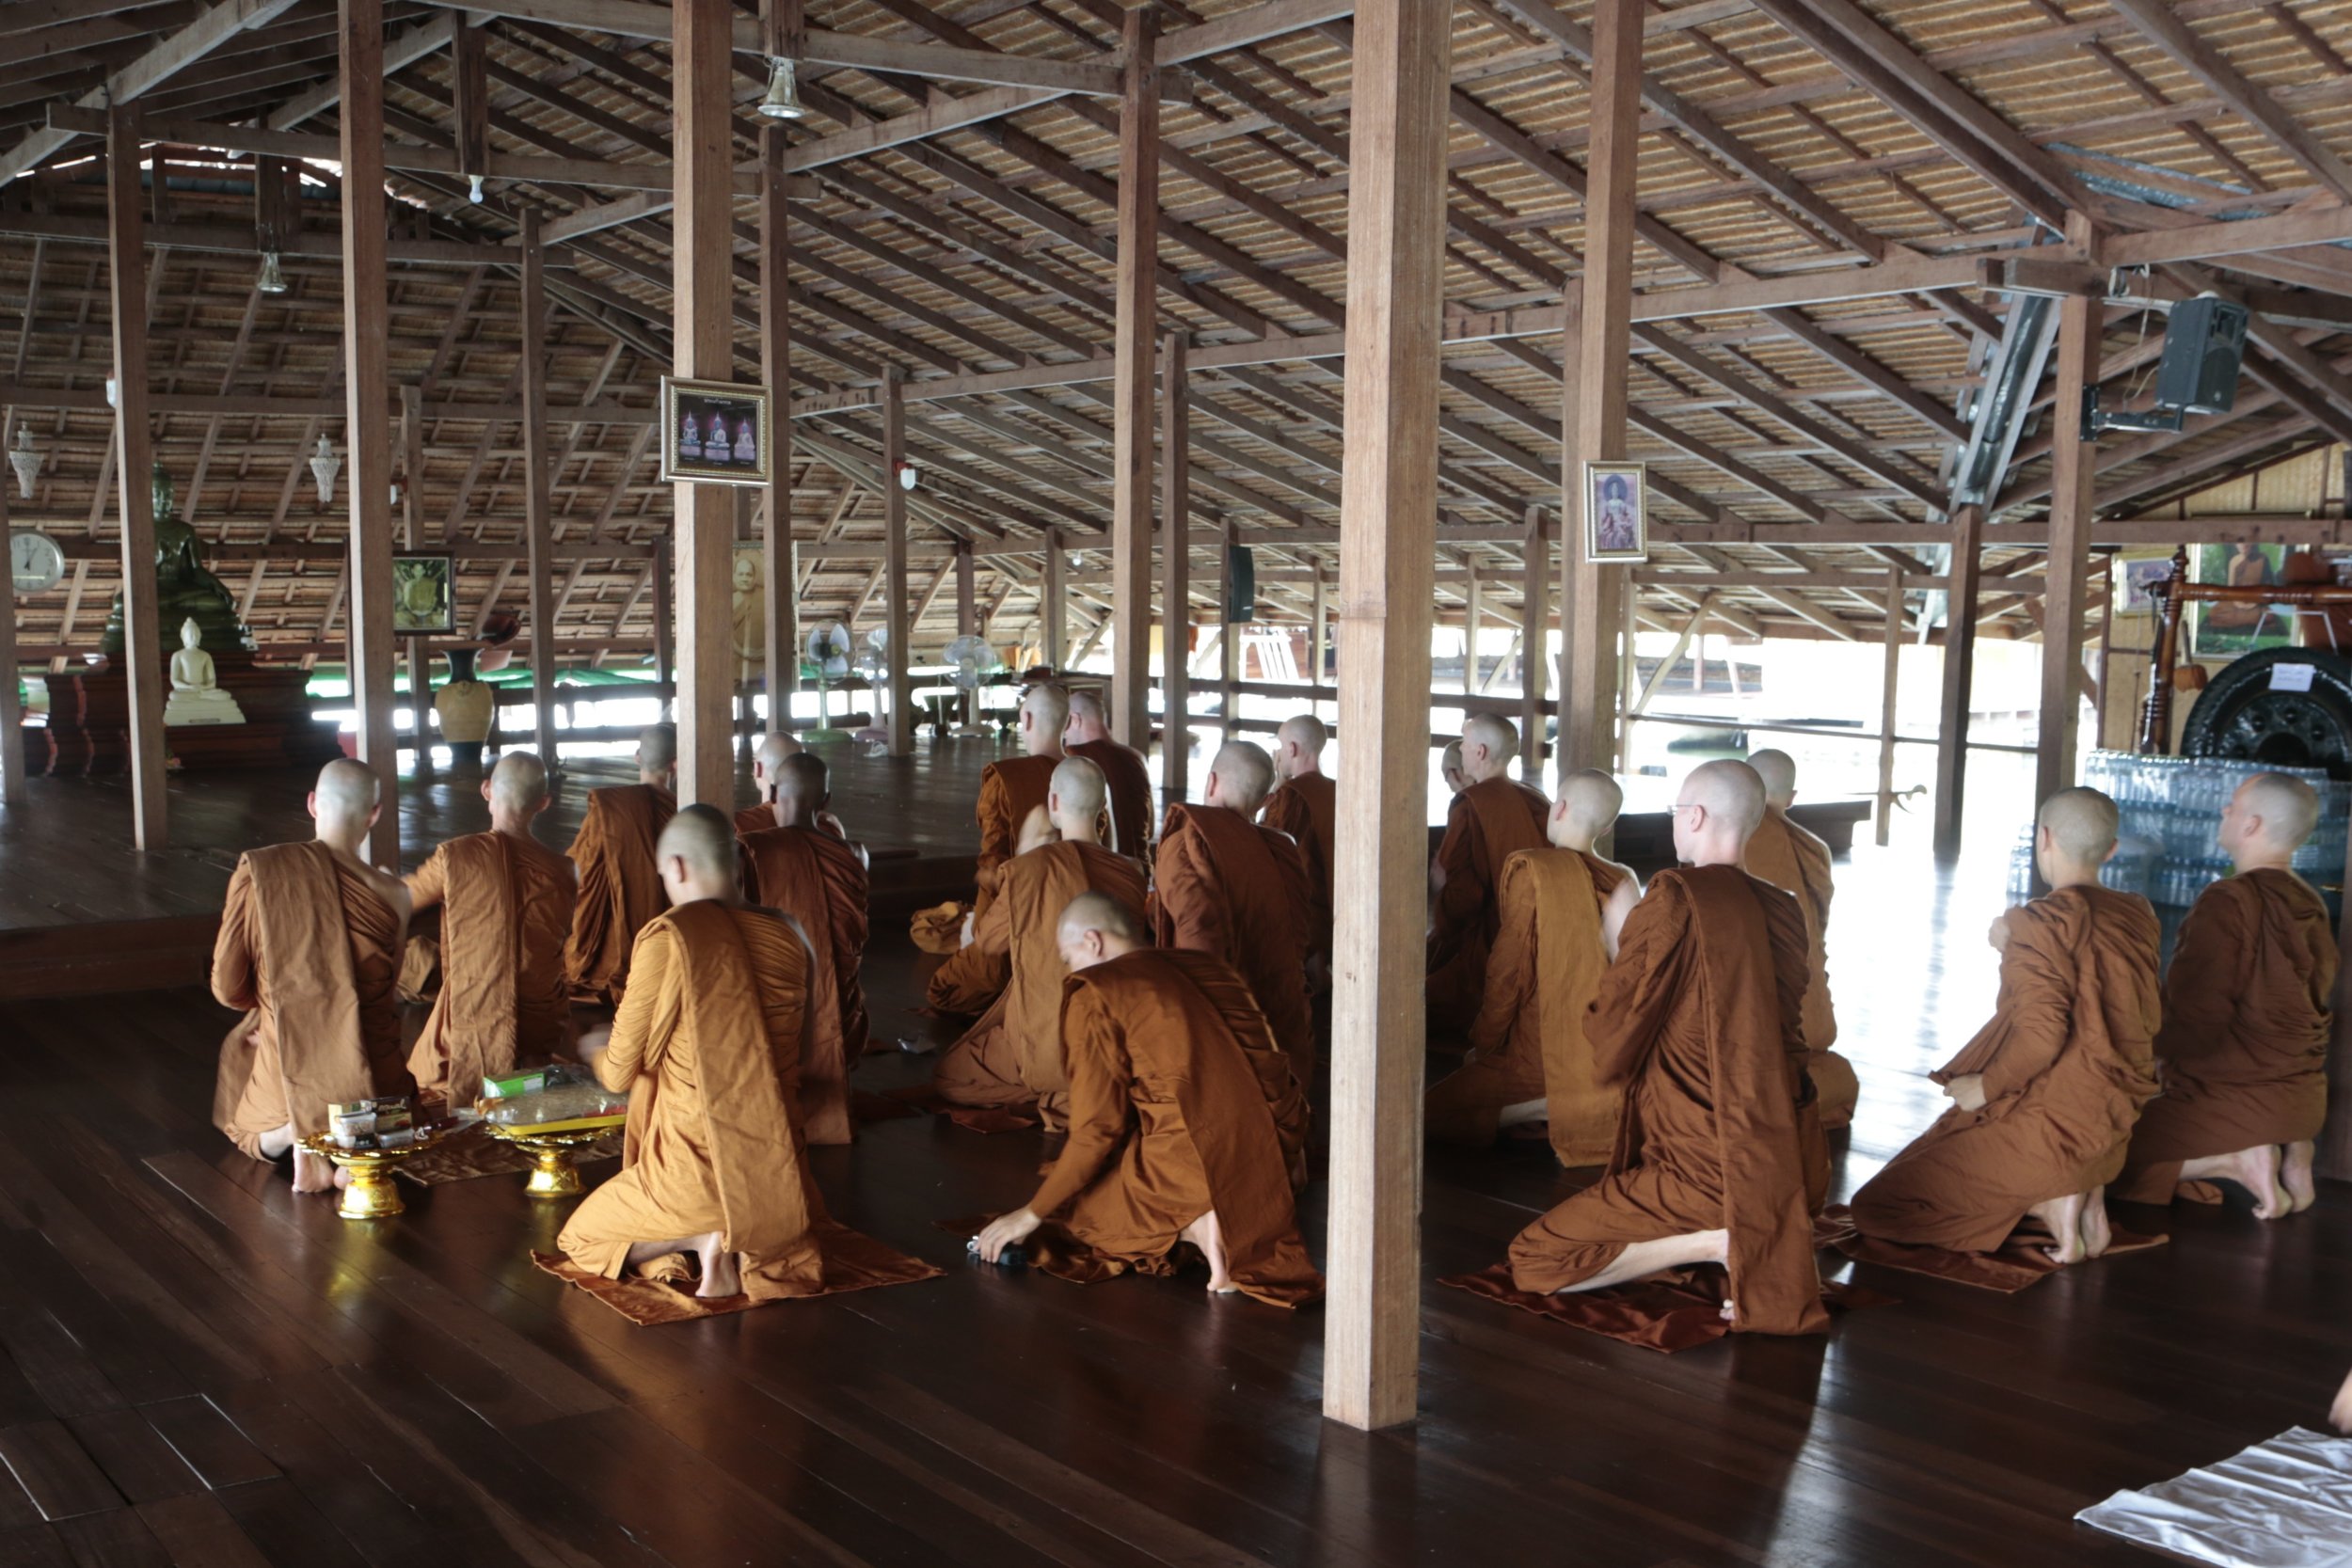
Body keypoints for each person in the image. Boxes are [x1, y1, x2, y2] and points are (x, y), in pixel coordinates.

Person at [554, 807, 931, 1301]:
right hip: (774, 1172)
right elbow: (797, 1050)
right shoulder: (791, 933)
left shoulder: (671, 939)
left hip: (693, 1171)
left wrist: (597, 1048)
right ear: (736, 861)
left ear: (679, 867)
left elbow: (622, 1073)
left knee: (579, 1239)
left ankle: (704, 1235)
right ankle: (744, 1236)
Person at [1502, 761, 1826, 1333]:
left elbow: (1615, 1023)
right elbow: (1783, 1029)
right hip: (1781, 1157)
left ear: (1694, 816)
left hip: (1700, 1165)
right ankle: (1742, 1228)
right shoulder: (1784, 906)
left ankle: (1715, 1241)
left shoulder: (1675, 899)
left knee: (1535, 1259)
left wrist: (1609, 966)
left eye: (1678, 811)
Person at [1851, 788, 2162, 1264]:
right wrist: (2016, 942)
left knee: (1878, 1208)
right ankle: (2081, 1194)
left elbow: (2043, 1034)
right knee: (1939, 1146)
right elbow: (2101, 989)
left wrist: (1987, 1085)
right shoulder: (2138, 914)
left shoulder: (2037, 922)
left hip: (2054, 1121)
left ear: (2044, 839)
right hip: (2114, 1119)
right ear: (2112, 850)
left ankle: (2049, 1199)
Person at [971, 894, 1320, 1306]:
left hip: (1193, 1160)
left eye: (1068, 957)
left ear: (1093, 942)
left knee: (1084, 1215)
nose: (1071, 969)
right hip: (1281, 1149)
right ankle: (1226, 1208)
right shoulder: (1208, 965)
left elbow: (1098, 1130)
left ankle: (1197, 1223)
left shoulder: (1099, 991)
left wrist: (1030, 1213)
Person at [2116, 772, 2334, 1216]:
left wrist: (2129, 1050)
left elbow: (2195, 1023)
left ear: (2251, 826)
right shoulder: (2311, 901)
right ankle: (2293, 1155)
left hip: (2233, 1099)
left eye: (2232, 805)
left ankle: (2235, 1160)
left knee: (2089, 1150)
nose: (2223, 811)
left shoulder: (2229, 900)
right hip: (2304, 1102)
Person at [212, 760, 415, 1194]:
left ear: (311, 804)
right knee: (397, 1100)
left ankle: (291, 1131)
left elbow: (228, 989)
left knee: (242, 1128)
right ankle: (357, 1135)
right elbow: (386, 991)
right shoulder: (395, 894)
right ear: (374, 814)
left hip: (286, 1060)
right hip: (371, 1070)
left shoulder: (265, 873)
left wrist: (276, 1007)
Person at [1426, 769, 1640, 1163]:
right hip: (1605, 1044)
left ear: (1557, 808)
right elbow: (1633, 969)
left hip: (1538, 1047)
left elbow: (1509, 972)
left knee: (1429, 1114)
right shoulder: (1624, 877)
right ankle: (1585, 1100)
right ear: (1608, 826)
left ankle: (1551, 1105)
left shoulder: (1535, 871)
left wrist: (1485, 1042)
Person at [934, 758, 1147, 1126]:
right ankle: (1077, 1092)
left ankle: (1054, 1090)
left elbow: (988, 943)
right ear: (1102, 810)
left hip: (1040, 1039)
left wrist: (1022, 863)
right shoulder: (1132, 871)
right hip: (1114, 1040)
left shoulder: (1028, 868)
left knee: (949, 1077)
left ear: (1053, 803)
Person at [404, 752, 577, 1104]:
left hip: (470, 1018)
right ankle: (527, 1073)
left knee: (424, 1078)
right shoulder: (563, 870)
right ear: (544, 803)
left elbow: (405, 900)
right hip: (537, 1024)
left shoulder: (456, 857)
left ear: (486, 790)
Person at [1152, 740, 1316, 1085]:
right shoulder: (1283, 847)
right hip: (1285, 1036)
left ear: (1211, 782)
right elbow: (1298, 937)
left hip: (1223, 1037)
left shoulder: (1185, 844)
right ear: (1266, 802)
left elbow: (1198, 942)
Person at [739, 753, 870, 1147]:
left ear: (773, 793)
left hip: (776, 1016)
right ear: (826, 801)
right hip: (839, 1026)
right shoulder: (855, 853)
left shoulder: (750, 850)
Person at [926, 684, 1069, 1013]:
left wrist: (982, 930)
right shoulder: (1085, 775)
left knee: (944, 991)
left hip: (1016, 916)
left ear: (1027, 719)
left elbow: (994, 867)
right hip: (1078, 914)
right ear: (1066, 723)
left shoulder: (1005, 779)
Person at [1741, 749, 1859, 1130]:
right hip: (1810, 1020)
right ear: (1792, 798)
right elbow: (1816, 929)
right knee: (1831, 1074)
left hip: (1745, 1014)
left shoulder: (1731, 838)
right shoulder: (1814, 848)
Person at [1427, 714, 1550, 1022]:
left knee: (1419, 997)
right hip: (1539, 934)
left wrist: (1441, 888)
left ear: (1479, 752)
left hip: (1492, 939)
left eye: (1466, 745)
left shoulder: (1471, 804)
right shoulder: (1536, 798)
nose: (1463, 750)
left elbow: (1465, 895)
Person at [564, 723, 676, 1006]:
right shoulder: (684, 816)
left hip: (611, 958)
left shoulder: (611, 811)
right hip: (671, 946)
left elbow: (581, 873)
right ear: (676, 765)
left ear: (637, 756)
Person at [1258, 714, 1336, 984]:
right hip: (1338, 908)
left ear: (1291, 748)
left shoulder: (1291, 795)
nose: (1279, 753)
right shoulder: (1339, 790)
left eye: (1280, 746)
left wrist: (1277, 783)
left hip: (1307, 916)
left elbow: (1266, 847)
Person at [1062, 689, 1153, 862]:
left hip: (1100, 874)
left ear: (1075, 720)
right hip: (1141, 873)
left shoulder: (1073, 760)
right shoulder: (1137, 758)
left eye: (1064, 726)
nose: (1064, 735)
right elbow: (1150, 830)